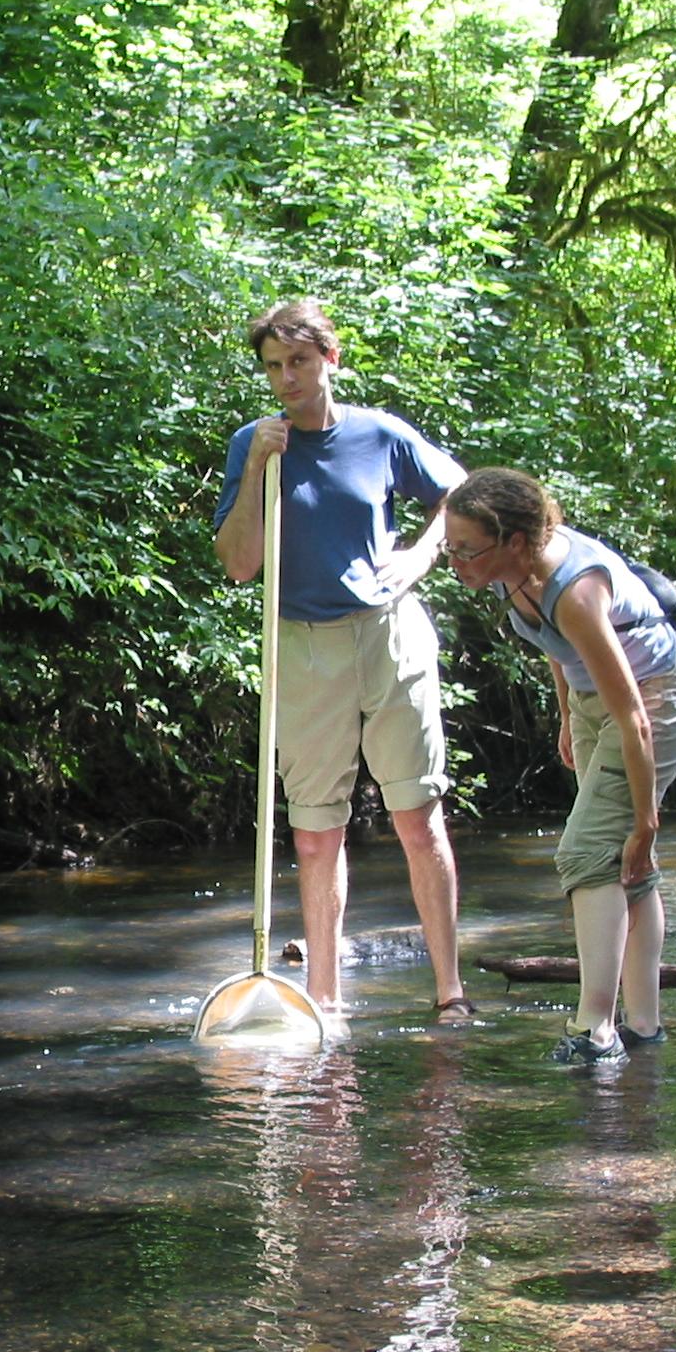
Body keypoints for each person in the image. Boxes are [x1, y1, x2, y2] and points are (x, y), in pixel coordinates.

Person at [213, 298, 469, 1021]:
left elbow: (462, 493)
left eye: (298, 362)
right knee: (316, 831)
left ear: (330, 359)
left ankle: (450, 992)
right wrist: (261, 468)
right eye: (273, 367)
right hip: (302, 646)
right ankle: (322, 999)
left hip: (389, 635)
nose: (286, 379)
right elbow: (238, 564)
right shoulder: (254, 444)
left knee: (418, 816)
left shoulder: (381, 435)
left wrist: (421, 554)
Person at [440, 469, 676, 1062]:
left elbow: (636, 717)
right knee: (619, 863)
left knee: (587, 852)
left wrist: (646, 820)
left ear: (514, 541)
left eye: (466, 549)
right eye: (449, 547)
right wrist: (567, 716)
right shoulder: (511, 575)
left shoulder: (578, 588)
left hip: (657, 696)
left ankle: (596, 1029)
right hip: (595, 703)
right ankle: (643, 1024)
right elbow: (556, 646)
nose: (455, 561)